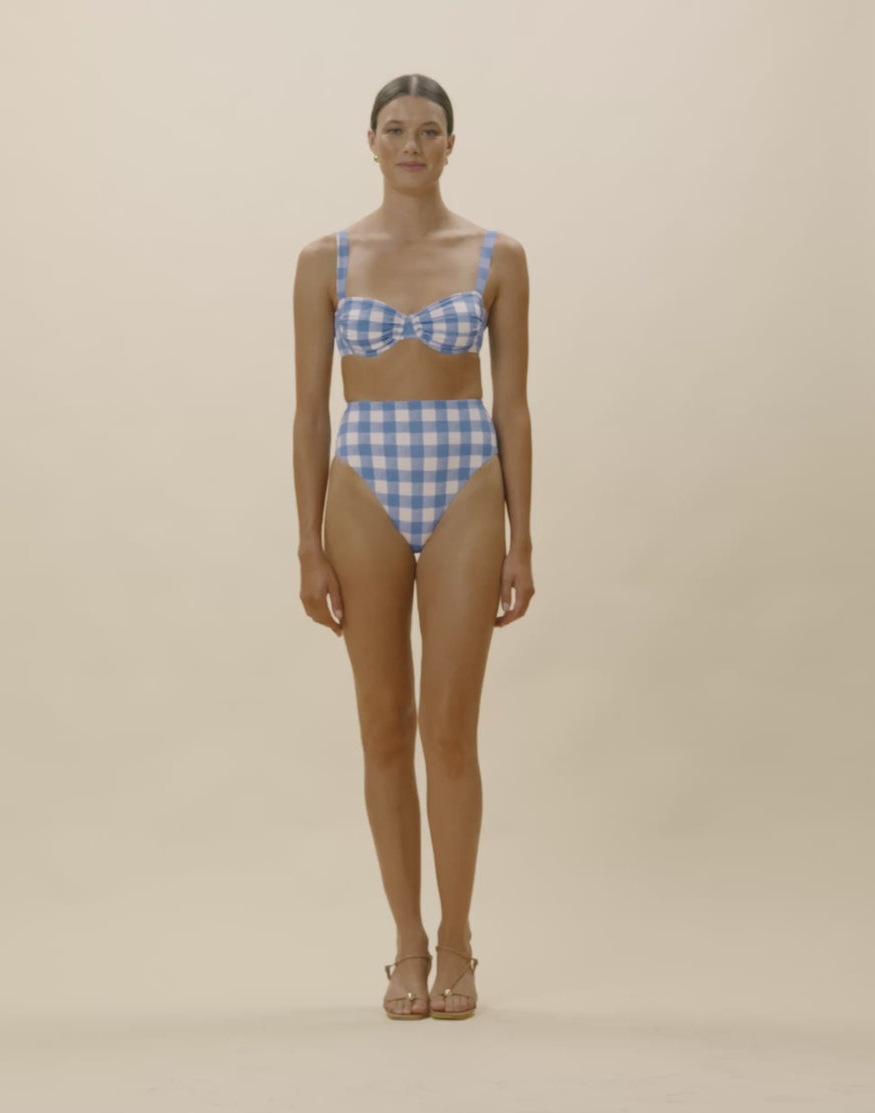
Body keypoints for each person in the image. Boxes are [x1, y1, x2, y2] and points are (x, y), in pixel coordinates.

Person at [292, 73, 534, 1020]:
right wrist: (307, 543)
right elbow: (310, 414)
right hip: (364, 483)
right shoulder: (326, 260)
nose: (411, 144)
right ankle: (406, 945)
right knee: (383, 725)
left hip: (468, 478)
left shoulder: (497, 255)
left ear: (450, 145)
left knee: (449, 729)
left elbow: (513, 406)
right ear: (371, 141)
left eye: (429, 130)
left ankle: (460, 943)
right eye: (395, 128)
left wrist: (523, 536)